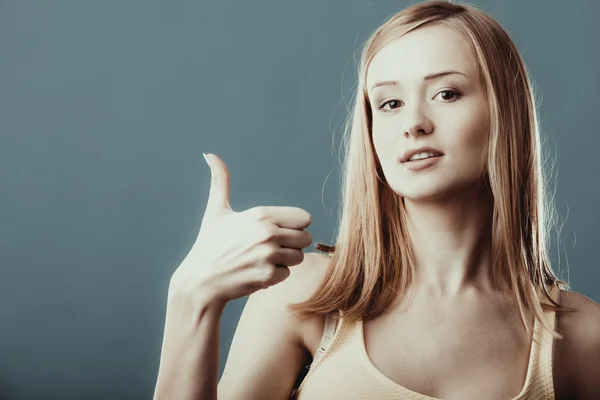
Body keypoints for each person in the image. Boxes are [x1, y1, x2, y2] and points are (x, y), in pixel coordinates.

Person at [153, 1, 600, 399]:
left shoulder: (583, 335)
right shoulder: (305, 295)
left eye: (446, 93)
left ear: (506, 112)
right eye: (388, 103)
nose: (414, 124)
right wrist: (193, 296)